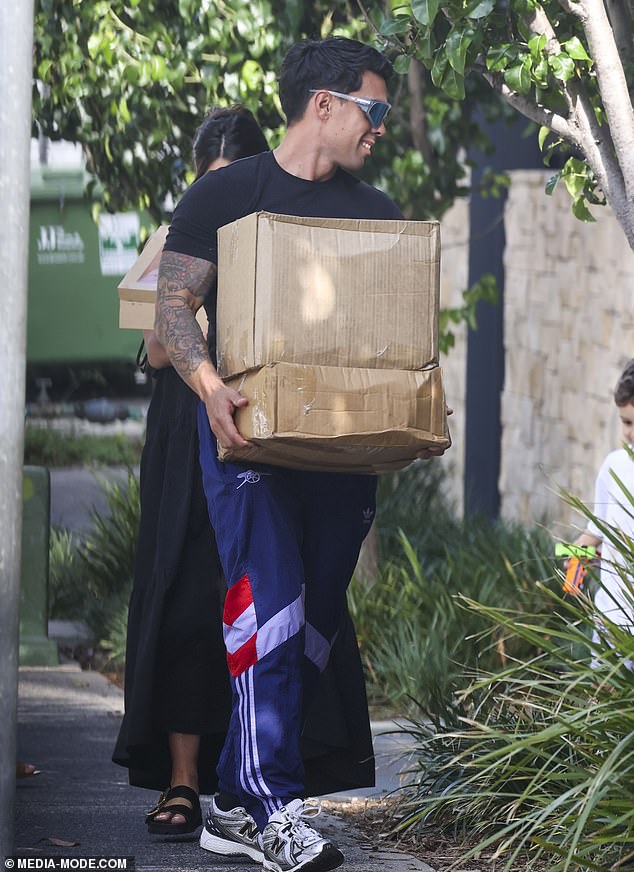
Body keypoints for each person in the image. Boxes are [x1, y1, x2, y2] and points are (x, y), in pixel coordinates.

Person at [155, 37, 447, 871]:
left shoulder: (379, 212)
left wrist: (416, 415)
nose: (380, 128)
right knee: (271, 610)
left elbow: (397, 347)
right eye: (374, 109)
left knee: (312, 628)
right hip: (247, 441)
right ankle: (276, 805)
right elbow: (174, 309)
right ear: (323, 104)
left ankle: (238, 804)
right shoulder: (225, 197)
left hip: (343, 458)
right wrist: (210, 386)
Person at [113, 106, 378, 840]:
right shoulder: (186, 226)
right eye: (211, 180)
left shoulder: (294, 227)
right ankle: (184, 780)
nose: (221, 189)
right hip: (190, 422)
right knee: (189, 598)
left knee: (260, 602)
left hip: (272, 427)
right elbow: (163, 344)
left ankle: (244, 781)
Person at [567, 359, 634, 655]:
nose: (629, 433)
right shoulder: (614, 467)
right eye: (626, 421)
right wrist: (573, 556)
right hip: (610, 624)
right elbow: (597, 533)